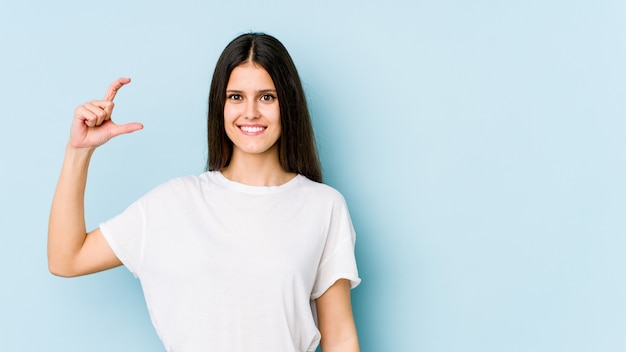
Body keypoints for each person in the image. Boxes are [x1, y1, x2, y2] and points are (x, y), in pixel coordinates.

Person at [48, 33, 360, 352]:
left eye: (267, 97)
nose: (250, 112)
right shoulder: (173, 203)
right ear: (220, 106)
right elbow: (66, 259)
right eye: (236, 97)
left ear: (287, 103)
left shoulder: (323, 206)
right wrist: (78, 152)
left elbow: (340, 339)